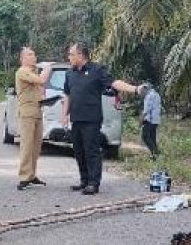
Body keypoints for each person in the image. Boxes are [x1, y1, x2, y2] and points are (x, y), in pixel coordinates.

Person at [61, 41, 144, 195]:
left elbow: (114, 83)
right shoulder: (69, 73)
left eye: (71, 54)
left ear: (80, 55)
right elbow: (67, 95)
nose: (69, 57)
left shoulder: (97, 70)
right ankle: (84, 180)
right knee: (78, 151)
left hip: (91, 119)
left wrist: (135, 89)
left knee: (91, 151)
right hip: (76, 119)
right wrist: (64, 115)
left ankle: (93, 183)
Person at [14, 47, 52, 191]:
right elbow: (42, 80)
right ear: (23, 58)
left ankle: (32, 174)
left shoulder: (33, 72)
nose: (33, 57)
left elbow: (39, 90)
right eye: (30, 54)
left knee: (36, 146)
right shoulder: (22, 71)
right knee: (27, 145)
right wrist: (48, 68)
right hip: (27, 113)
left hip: (37, 112)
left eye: (34, 54)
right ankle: (24, 176)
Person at [139, 82, 161, 160]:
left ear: (145, 89)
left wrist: (141, 121)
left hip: (150, 120)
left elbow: (146, 111)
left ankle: (155, 153)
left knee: (145, 137)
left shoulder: (149, 96)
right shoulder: (157, 94)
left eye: (141, 91)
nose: (141, 93)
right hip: (156, 120)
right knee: (152, 138)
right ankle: (155, 155)